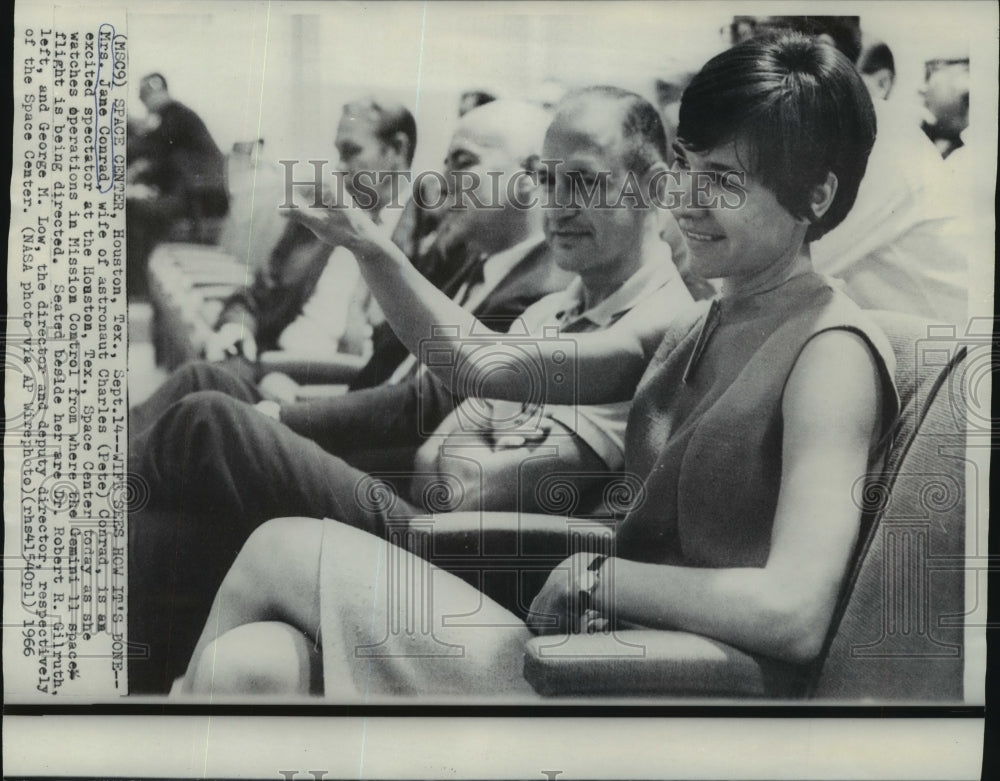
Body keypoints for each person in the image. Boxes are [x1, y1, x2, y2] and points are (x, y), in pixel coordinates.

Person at [179, 37, 899, 700]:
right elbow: (483, 364)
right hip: (589, 642)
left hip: (650, 683)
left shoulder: (830, 354)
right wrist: (373, 248)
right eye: (686, 167)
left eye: (724, 180)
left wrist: (602, 577)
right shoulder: (697, 322)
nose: (687, 200)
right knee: (249, 666)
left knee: (277, 549)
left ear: (818, 196)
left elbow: (795, 612)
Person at [127, 100, 574, 693]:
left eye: (462, 162)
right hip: (374, 445)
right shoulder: (471, 260)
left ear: (530, 174)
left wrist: (284, 414)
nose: (438, 180)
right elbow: (384, 370)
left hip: (406, 489)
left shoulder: (543, 291)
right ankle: (105, 624)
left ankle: (70, 519)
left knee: (209, 418)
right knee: (199, 411)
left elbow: (421, 408)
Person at [130, 97, 419, 430]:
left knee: (195, 416)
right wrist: (237, 326)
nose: (338, 167)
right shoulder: (319, 215)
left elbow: (393, 370)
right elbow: (257, 293)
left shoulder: (426, 236)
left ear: (397, 149)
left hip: (330, 396)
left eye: (351, 152)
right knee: (196, 386)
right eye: (337, 153)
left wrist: (286, 385)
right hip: (269, 365)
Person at [127, 73, 229, 298]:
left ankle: (136, 293)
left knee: (131, 210)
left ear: (156, 93)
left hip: (199, 201)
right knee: (136, 208)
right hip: (200, 198)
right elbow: (162, 161)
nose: (145, 106)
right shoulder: (179, 117)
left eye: (145, 98)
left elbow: (148, 148)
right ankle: (138, 290)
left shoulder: (174, 116)